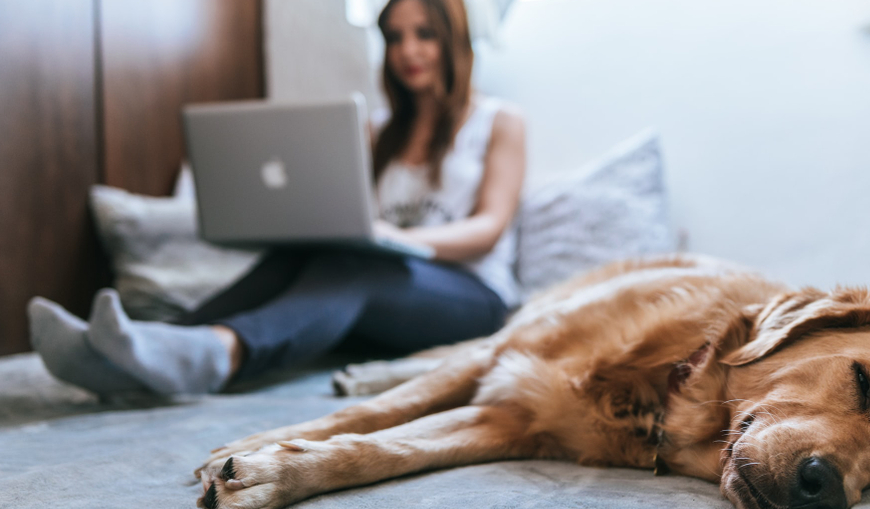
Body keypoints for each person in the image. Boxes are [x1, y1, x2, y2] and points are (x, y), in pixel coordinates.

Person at [28, 0, 525, 396]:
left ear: (453, 38)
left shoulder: (499, 121)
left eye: (424, 34)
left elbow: (489, 228)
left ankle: (219, 354)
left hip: (472, 298)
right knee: (315, 253)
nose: (407, 50)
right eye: (395, 37)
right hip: (385, 291)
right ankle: (148, 347)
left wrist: (400, 237)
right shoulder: (377, 132)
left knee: (356, 267)